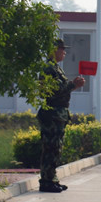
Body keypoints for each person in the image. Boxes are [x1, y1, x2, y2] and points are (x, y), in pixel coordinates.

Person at [38, 38, 85, 193]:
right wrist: (72, 84)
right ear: (53, 50)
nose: (64, 52)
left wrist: (73, 85)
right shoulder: (48, 69)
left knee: (56, 148)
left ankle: (52, 179)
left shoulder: (56, 68)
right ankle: (46, 181)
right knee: (50, 148)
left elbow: (62, 89)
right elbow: (52, 91)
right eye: (61, 49)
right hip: (52, 113)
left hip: (58, 113)